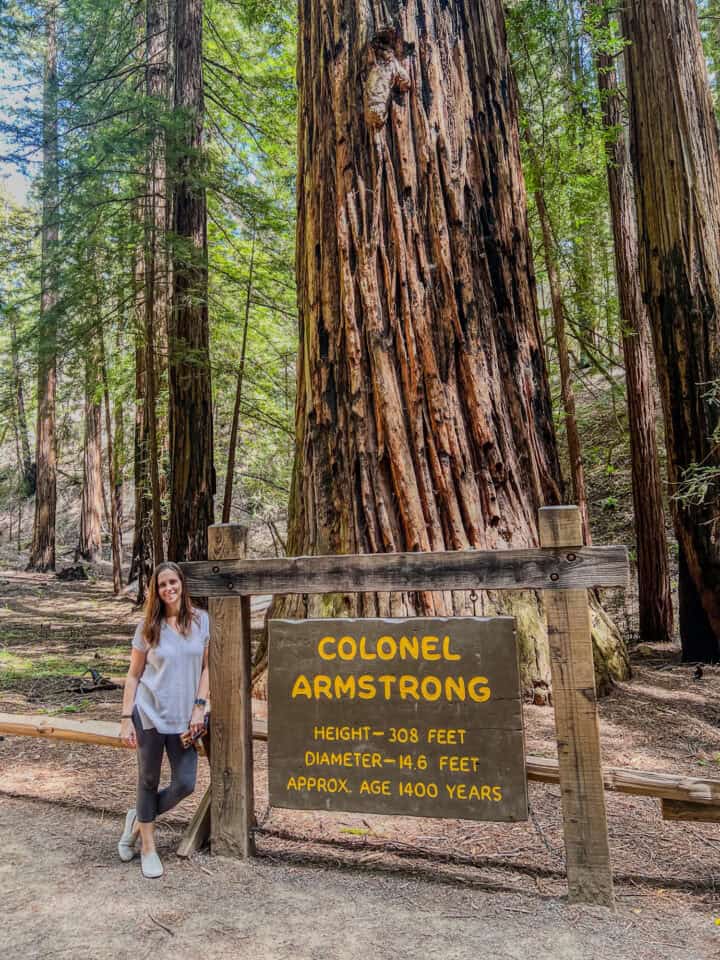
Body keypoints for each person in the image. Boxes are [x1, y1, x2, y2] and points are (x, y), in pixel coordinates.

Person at [118, 561, 210, 878]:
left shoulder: (201, 621)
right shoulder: (148, 628)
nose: (168, 589)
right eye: (161, 585)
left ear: (181, 584)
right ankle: (148, 847)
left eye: (172, 582)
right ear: (155, 591)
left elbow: (207, 669)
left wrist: (200, 707)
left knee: (185, 783)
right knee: (148, 781)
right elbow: (133, 676)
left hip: (186, 720)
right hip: (150, 713)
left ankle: (137, 822)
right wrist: (126, 717)